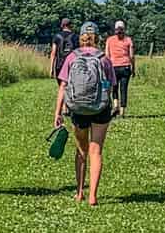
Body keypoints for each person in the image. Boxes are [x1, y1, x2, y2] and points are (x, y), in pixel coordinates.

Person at [54, 21, 116, 206]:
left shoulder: (72, 57)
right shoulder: (104, 58)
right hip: (100, 108)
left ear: (80, 37)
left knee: (82, 151)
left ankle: (80, 192)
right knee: (96, 151)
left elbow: (63, 86)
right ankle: (93, 196)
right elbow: (111, 85)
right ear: (97, 38)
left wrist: (58, 112)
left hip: (78, 108)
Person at [105, 19, 135, 118]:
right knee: (124, 89)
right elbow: (131, 56)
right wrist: (133, 68)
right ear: (124, 29)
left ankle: (115, 105)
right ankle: (122, 111)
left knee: (114, 87)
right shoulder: (128, 40)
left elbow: (107, 55)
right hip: (125, 67)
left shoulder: (109, 40)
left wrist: (106, 68)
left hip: (113, 67)